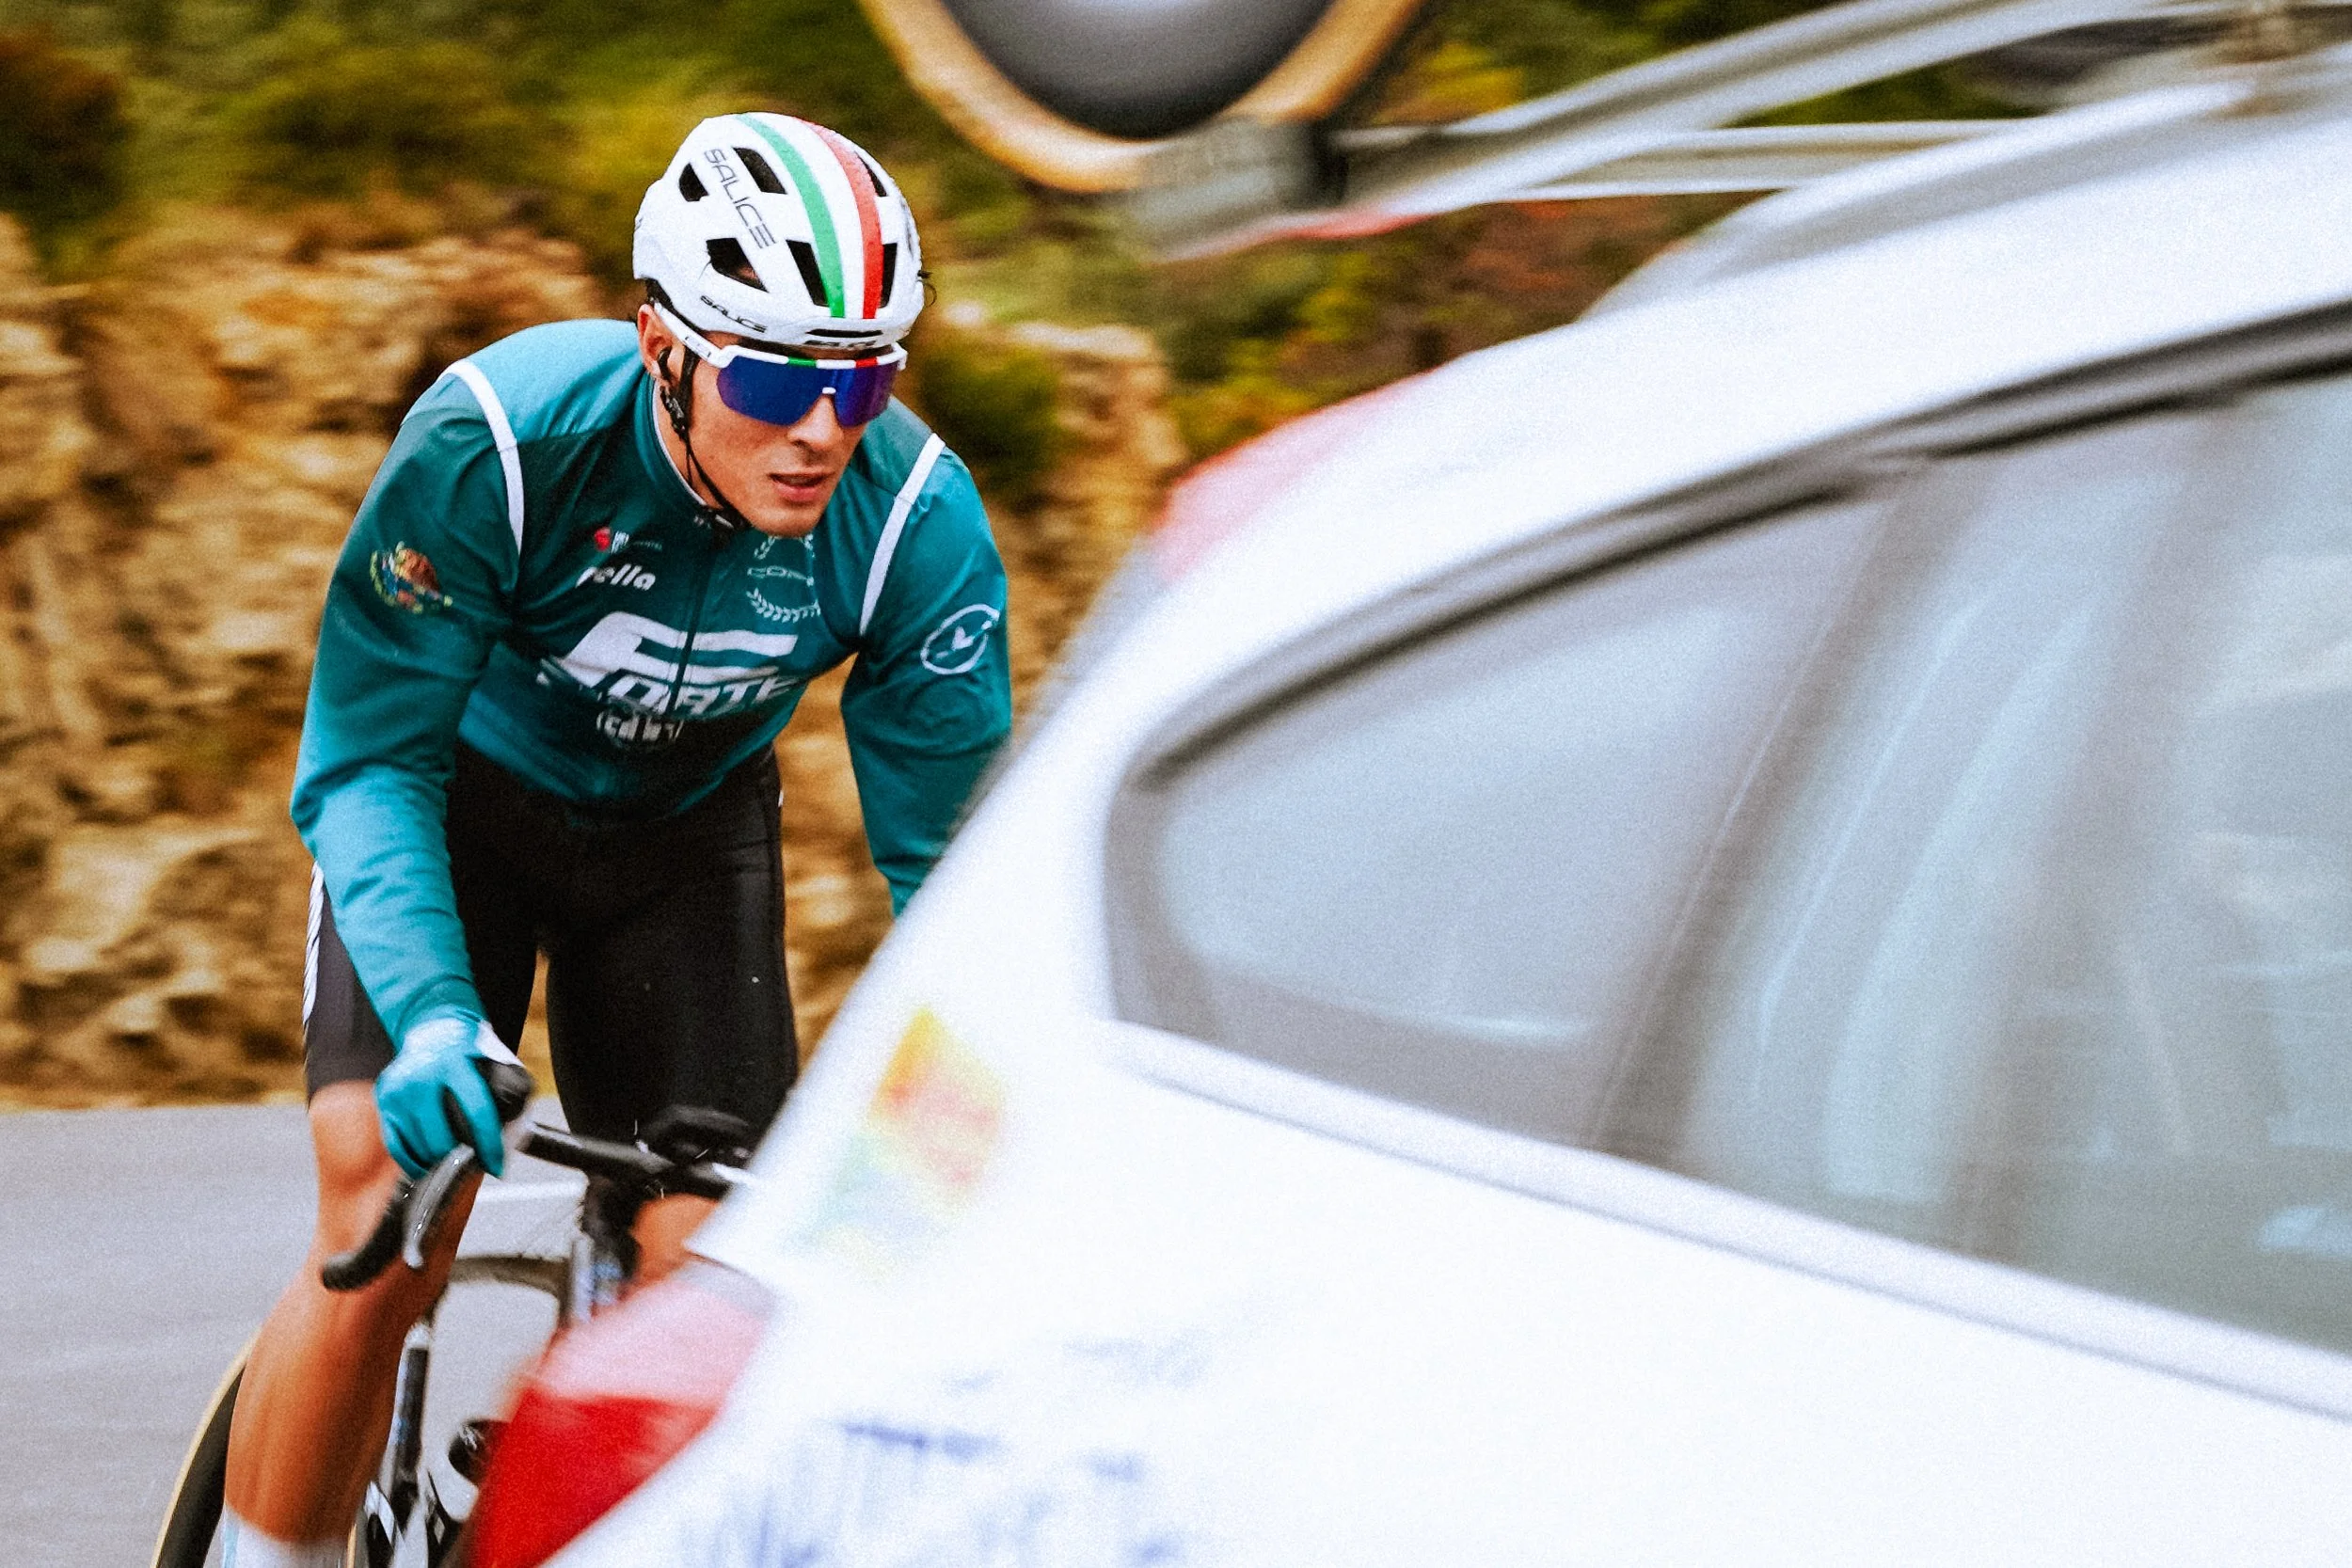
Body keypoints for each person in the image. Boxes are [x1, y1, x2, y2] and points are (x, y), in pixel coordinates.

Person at [219, 113, 1011, 1566]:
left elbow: (963, 881)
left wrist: (980, 1110)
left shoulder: (912, 525)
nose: (825, 426)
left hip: (679, 847)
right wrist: (439, 1017)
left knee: (707, 1280)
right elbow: (368, 761)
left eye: (866, 376)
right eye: (777, 374)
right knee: (385, 1209)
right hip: (456, 806)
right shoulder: (503, 447)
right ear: (665, 344)